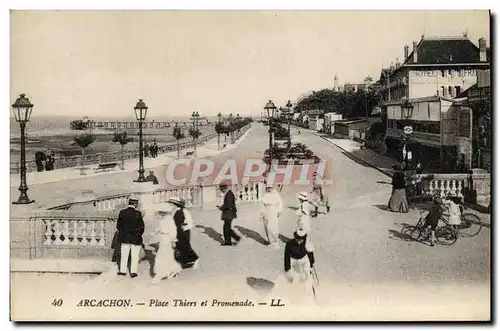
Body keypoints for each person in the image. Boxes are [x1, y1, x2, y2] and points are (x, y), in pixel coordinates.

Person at [151, 202, 182, 284]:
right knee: (166, 256)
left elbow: (173, 231)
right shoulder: (163, 219)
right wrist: (156, 232)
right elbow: (160, 228)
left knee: (161, 256)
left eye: (161, 212)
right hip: (162, 239)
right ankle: (173, 270)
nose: (160, 214)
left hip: (167, 239)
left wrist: (173, 241)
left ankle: (159, 274)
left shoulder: (170, 220)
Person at [116, 195, 145, 278]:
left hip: (125, 238)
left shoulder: (122, 212)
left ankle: (122, 271)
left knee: (124, 255)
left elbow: (118, 226)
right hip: (135, 239)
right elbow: (142, 227)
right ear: (135, 204)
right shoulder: (138, 214)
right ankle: (133, 272)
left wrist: (124, 233)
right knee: (134, 256)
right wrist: (137, 235)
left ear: (129, 203)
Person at [169, 197, 199, 269]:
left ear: (176, 204)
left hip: (184, 232)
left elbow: (189, 222)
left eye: (172, 204)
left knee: (185, 246)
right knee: (179, 246)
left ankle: (195, 259)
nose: (171, 205)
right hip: (177, 231)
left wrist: (185, 226)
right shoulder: (174, 211)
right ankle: (183, 262)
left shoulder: (185, 211)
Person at [218, 181, 241, 246]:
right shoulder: (229, 194)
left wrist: (221, 207)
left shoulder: (229, 194)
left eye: (222, 190)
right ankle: (234, 239)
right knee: (226, 227)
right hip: (229, 213)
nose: (222, 191)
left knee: (226, 228)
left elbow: (228, 205)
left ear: (224, 189)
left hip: (229, 214)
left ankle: (230, 241)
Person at [260, 183, 283, 249]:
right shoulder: (265, 194)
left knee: (273, 226)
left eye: (271, 187)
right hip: (267, 210)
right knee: (267, 226)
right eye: (268, 187)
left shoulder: (276, 194)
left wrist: (279, 211)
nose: (269, 189)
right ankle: (270, 241)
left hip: (274, 210)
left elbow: (280, 203)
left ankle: (276, 241)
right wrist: (262, 211)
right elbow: (262, 204)